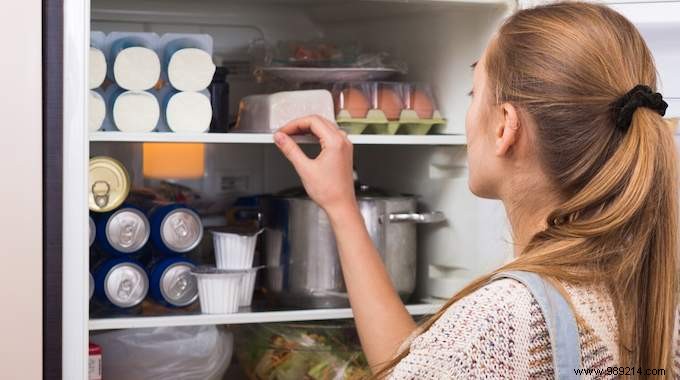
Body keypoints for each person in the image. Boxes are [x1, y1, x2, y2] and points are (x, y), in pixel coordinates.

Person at [273, 2, 677, 378]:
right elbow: (419, 362)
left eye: (472, 93)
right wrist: (341, 206)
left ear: (505, 126)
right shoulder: (651, 294)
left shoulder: (500, 320)